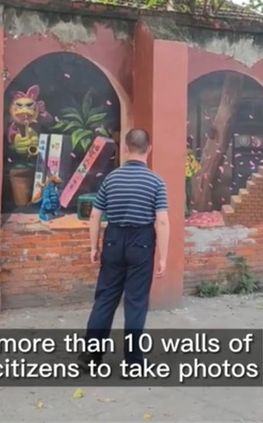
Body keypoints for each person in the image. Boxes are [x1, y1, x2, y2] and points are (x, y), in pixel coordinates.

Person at [78, 128, 170, 373]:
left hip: (113, 239)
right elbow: (161, 221)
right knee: (136, 302)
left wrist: (93, 247)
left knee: (105, 298)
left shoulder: (111, 179)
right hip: (141, 242)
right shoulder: (156, 181)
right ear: (149, 149)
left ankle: (91, 357)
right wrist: (163, 256)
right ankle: (132, 363)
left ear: (126, 149)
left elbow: (95, 215)